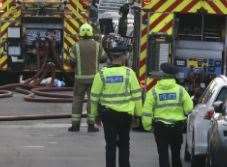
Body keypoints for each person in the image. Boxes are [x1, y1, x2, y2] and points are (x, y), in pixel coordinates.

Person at [89, 33, 142, 167]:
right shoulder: (130, 74)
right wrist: (138, 115)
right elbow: (136, 96)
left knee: (110, 145)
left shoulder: (100, 75)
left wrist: (94, 116)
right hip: (125, 116)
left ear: (109, 56)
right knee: (124, 145)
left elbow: (94, 98)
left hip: (108, 115)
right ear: (124, 56)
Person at [142, 63, 193, 167]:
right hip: (177, 127)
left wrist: (148, 126)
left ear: (162, 76)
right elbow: (189, 109)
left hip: (160, 127)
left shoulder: (153, 92)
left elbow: (147, 111)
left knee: (163, 155)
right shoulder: (180, 90)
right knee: (176, 155)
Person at [68, 23, 102, 132]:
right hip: (94, 79)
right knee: (91, 101)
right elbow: (104, 58)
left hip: (80, 79)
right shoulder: (97, 45)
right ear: (91, 33)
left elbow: (71, 61)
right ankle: (91, 125)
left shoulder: (76, 46)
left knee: (77, 100)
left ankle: (75, 125)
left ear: (80, 33)